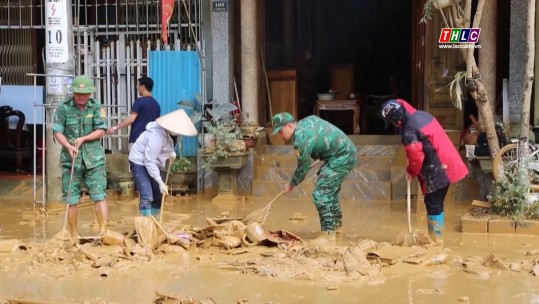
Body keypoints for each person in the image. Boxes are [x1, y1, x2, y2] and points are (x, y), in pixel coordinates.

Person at [381, 99, 469, 243]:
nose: (393, 125)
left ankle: (436, 241)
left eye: (391, 121)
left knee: (433, 203)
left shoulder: (410, 130)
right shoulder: (422, 115)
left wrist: (411, 171)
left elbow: (415, 155)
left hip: (437, 169)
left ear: (397, 119)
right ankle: (438, 238)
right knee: (437, 203)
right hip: (447, 163)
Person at [272, 112, 357, 243]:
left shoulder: (300, 139)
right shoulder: (306, 121)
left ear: (289, 126)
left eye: (280, 131)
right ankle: (337, 228)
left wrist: (291, 184)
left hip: (341, 156)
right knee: (330, 192)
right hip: (343, 153)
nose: (280, 135)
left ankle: (328, 234)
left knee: (321, 193)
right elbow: (319, 135)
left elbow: (303, 167)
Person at [52, 75, 109, 239]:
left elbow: (102, 130)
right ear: (73, 92)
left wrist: (84, 139)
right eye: (78, 94)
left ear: (90, 93)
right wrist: (68, 146)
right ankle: (74, 235)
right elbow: (57, 132)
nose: (81, 97)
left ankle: (103, 232)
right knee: (71, 198)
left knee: (99, 196)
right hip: (71, 161)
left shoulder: (97, 108)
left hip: (94, 160)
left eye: (85, 94)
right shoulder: (63, 108)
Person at [128, 109, 197, 217]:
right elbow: (149, 161)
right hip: (140, 161)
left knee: (159, 195)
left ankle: (155, 222)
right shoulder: (156, 136)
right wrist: (160, 182)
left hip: (154, 161)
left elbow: (166, 145)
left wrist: (171, 152)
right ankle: (146, 226)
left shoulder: (172, 134)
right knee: (147, 196)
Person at [106, 76, 161, 150]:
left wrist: (115, 128)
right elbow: (157, 122)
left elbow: (131, 119)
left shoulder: (139, 101)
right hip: (151, 140)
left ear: (143, 86)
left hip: (137, 139)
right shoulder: (156, 104)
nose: (138, 88)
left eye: (138, 86)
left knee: (134, 161)